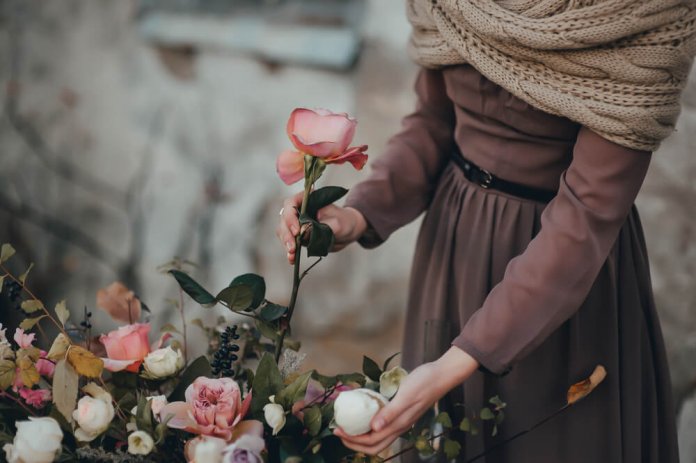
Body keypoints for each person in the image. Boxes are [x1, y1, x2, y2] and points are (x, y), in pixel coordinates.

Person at [277, 1, 695, 461]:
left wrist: (449, 368)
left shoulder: (648, 16)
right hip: (453, 253)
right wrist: (356, 215)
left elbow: (586, 217)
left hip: (561, 283)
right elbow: (434, 125)